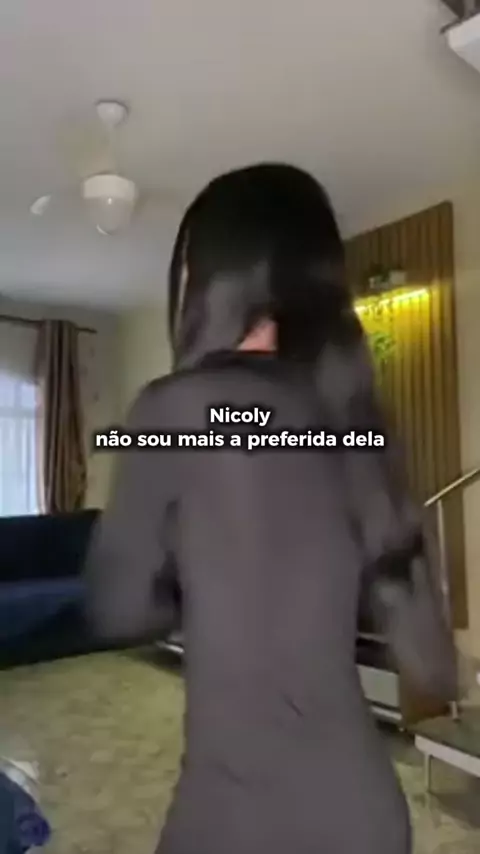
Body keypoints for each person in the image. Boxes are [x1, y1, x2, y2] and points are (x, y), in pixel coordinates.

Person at [85, 163, 458, 854]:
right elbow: (431, 661)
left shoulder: (173, 409)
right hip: (364, 817)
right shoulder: (352, 419)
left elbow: (119, 611)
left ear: (211, 278)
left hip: (237, 815)